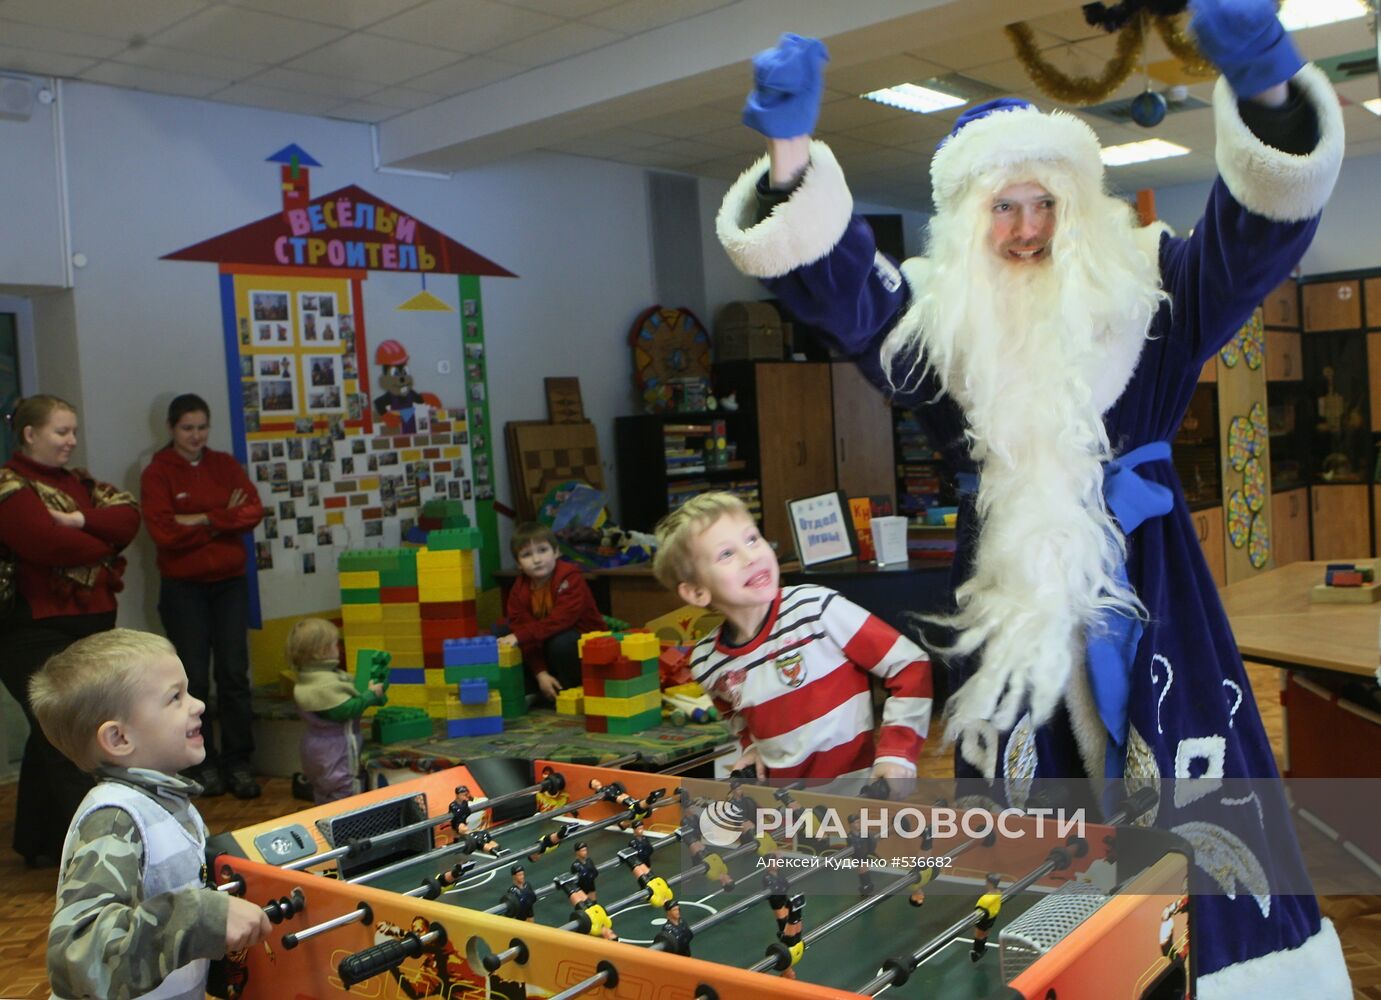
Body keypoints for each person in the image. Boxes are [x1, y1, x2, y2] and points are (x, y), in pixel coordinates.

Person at [713, 2, 1348, 993]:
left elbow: (1253, 240)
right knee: (1032, 816)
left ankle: (1230, 973)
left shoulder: (1152, 292)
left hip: (1147, 590)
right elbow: (837, 292)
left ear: (1077, 203)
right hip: (1004, 599)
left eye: (1044, 201)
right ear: (968, 221)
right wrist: (791, 151)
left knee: (1191, 793)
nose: (1024, 229)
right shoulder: (936, 332)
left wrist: (1267, 85)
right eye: (1000, 208)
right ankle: (1061, 969)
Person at [28, 628, 271, 999]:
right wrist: (200, 918)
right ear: (119, 739)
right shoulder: (114, 818)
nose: (198, 705)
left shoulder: (167, 802)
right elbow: (77, 956)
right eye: (175, 697)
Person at [652, 492, 933, 785]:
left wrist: (897, 752)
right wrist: (751, 749)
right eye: (726, 554)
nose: (751, 557)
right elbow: (741, 720)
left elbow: (909, 664)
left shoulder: (816, 608)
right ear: (697, 592)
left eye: (752, 539)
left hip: (856, 799)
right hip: (784, 810)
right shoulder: (706, 662)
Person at [0, 394, 140, 867]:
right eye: (62, 432)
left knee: (52, 733)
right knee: (68, 735)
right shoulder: (9, 485)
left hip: (91, 623)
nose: (71, 441)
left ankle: (38, 842)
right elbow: (43, 543)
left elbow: (129, 518)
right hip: (32, 630)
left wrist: (81, 521)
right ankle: (97, 855)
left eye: (73, 431)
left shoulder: (79, 484)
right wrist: (100, 542)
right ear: (30, 434)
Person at [140, 393, 264, 799]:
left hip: (229, 584)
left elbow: (252, 512)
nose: (196, 436)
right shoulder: (158, 472)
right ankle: (203, 762)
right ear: (172, 430)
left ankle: (238, 761)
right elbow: (164, 533)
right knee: (192, 676)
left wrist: (202, 518)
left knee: (233, 673)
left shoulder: (223, 464)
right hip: (184, 590)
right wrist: (222, 520)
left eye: (201, 427)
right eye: (187, 428)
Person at [498, 521, 605, 702]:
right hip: (545, 645)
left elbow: (561, 620)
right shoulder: (519, 590)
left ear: (556, 552)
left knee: (560, 641)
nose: (537, 559)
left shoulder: (570, 577)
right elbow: (522, 627)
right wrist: (540, 672)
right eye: (526, 555)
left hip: (583, 647)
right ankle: (542, 685)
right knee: (502, 636)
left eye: (542, 550)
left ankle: (570, 690)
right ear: (518, 564)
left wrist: (519, 636)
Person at [286, 618, 389, 803]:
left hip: (315, 747)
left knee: (324, 791)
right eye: (335, 644)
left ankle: (325, 820)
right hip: (335, 749)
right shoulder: (323, 685)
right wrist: (369, 696)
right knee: (346, 789)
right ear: (322, 651)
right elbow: (345, 710)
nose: (339, 648)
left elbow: (344, 685)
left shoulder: (311, 677)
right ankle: (347, 826)